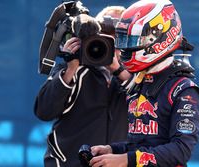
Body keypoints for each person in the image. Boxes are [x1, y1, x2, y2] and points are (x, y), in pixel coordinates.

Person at [89, 0, 199, 167]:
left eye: (134, 40)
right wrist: (112, 150)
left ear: (160, 38)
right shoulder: (139, 82)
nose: (125, 48)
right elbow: (140, 145)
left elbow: (181, 151)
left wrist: (125, 160)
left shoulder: (184, 90)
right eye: (125, 40)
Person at [34, 5, 132, 166]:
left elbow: (146, 99)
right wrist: (71, 67)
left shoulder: (135, 76)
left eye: (116, 38)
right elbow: (44, 111)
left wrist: (117, 69)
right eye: (103, 36)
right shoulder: (74, 69)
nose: (107, 44)